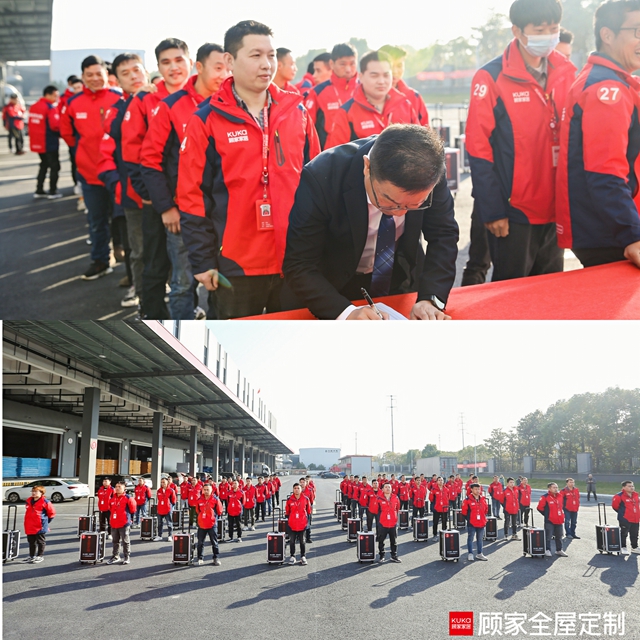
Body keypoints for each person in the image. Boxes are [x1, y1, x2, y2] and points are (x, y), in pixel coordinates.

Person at [177, 20, 320, 319]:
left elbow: (318, 184)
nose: (267, 64)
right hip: (235, 265)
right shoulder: (205, 120)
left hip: (295, 260)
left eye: (271, 55)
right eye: (255, 55)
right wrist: (202, 261)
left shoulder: (298, 113)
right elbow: (191, 196)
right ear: (229, 60)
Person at [283, 124, 459, 320]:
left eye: (413, 205)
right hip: (332, 285)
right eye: (390, 202)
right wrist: (346, 313)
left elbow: (443, 235)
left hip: (398, 278)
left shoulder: (429, 169)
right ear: (367, 167)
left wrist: (430, 299)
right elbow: (299, 263)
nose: (400, 214)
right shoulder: (323, 176)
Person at [466, 0, 576, 282]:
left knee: (550, 293)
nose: (548, 36)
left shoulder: (566, 71)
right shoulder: (491, 77)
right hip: (514, 212)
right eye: (539, 30)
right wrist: (492, 210)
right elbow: (477, 148)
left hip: (555, 207)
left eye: (554, 29)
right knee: (511, 294)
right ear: (517, 31)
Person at [141, 42, 230, 320]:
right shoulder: (170, 106)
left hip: (225, 215)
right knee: (182, 284)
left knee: (222, 282)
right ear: (200, 66)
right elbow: (149, 160)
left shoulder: (231, 102)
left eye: (227, 67)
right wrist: (166, 207)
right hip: (185, 214)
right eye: (218, 68)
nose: (223, 73)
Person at [557, 1, 640, 270]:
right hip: (611, 235)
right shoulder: (607, 88)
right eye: (637, 31)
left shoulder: (608, 80)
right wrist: (632, 236)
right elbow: (606, 171)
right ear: (607, 35)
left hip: (611, 227)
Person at [122, 38, 194, 320]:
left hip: (197, 199)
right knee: (156, 261)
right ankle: (152, 314)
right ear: (158, 67)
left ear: (190, 62)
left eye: (179, 60)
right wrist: (150, 195)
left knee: (192, 264)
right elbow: (131, 151)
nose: (174, 67)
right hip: (159, 199)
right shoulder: (146, 98)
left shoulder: (205, 94)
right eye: (166, 62)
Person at [60, 55, 123, 281]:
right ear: (83, 77)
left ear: (107, 75)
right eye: (90, 75)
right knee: (96, 222)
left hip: (118, 175)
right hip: (89, 175)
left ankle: (131, 271)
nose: (95, 78)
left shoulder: (120, 98)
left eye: (99, 74)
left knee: (123, 223)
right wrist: (82, 153)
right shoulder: (73, 103)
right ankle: (100, 261)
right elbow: (67, 133)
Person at [98, 52, 150, 309]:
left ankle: (172, 296)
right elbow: (114, 130)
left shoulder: (165, 101)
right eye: (125, 74)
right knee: (138, 251)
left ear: (146, 70)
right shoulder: (116, 109)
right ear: (117, 80)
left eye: (136, 70)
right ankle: (141, 295)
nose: (133, 76)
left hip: (169, 195)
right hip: (133, 195)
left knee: (171, 252)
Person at [325, 50, 420, 149]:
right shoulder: (346, 113)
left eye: (386, 75)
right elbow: (336, 157)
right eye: (374, 76)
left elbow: (419, 145)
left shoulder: (405, 105)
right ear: (361, 77)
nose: (381, 81)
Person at [305, 43, 359, 149]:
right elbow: (307, 131)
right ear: (332, 64)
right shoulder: (317, 92)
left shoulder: (365, 89)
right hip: (329, 155)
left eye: (352, 64)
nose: (348, 69)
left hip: (362, 154)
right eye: (343, 64)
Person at [378, 44, 429, 125]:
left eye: (399, 65)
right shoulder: (366, 97)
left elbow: (425, 132)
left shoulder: (414, 97)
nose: (395, 71)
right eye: (390, 66)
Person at [28, 86, 61, 199]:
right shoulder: (50, 108)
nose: (57, 98)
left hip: (37, 142)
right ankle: (53, 191)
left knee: (43, 165)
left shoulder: (34, 106)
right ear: (49, 95)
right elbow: (55, 125)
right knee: (54, 167)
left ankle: (39, 189)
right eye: (55, 96)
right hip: (49, 142)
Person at [23, 485, 56, 563]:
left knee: (40, 541)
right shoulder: (29, 501)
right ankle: (32, 556)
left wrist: (45, 522)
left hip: (39, 526)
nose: (33, 493)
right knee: (31, 542)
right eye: (32, 491)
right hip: (29, 525)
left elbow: (52, 513)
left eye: (36, 491)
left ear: (41, 493)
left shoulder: (45, 502)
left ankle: (40, 556)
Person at [107, 481, 137, 565]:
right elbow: (110, 509)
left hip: (124, 523)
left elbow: (133, 510)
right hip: (114, 523)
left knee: (125, 541)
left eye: (119, 486)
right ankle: (116, 556)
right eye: (116, 486)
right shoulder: (112, 498)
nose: (117, 488)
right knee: (115, 541)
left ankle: (126, 556)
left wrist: (129, 520)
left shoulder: (128, 498)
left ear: (124, 488)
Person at [537, 482, 568, 557]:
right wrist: (547, 514)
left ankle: (559, 550)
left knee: (559, 536)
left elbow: (561, 506)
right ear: (549, 489)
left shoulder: (560, 496)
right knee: (548, 536)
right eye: (554, 487)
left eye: (556, 487)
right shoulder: (545, 497)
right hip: (549, 520)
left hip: (559, 519)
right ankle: (547, 550)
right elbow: (540, 508)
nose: (556, 489)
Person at [196, 483, 223, 566]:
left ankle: (216, 558)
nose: (206, 491)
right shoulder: (199, 499)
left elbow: (219, 511)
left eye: (208, 489)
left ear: (211, 490)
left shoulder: (215, 499)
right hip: (202, 524)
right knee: (200, 542)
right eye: (205, 490)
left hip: (212, 524)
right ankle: (200, 558)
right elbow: (197, 511)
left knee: (214, 542)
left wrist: (213, 518)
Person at [285, 482, 312, 565]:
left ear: (301, 490)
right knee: (292, 541)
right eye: (295, 488)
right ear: (293, 490)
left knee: (302, 541)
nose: (296, 490)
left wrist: (307, 523)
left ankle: (303, 556)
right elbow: (287, 512)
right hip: (292, 524)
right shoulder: (290, 500)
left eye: (298, 488)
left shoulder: (305, 499)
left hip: (302, 524)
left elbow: (309, 511)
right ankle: (292, 556)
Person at [462, 483, 489, 562]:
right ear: (471, 490)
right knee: (470, 538)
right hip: (472, 523)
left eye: (478, 489)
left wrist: (482, 517)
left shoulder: (483, 499)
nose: (477, 491)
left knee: (480, 539)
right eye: (476, 489)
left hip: (481, 522)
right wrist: (469, 519)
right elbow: (464, 512)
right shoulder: (467, 500)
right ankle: (470, 553)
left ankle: (479, 553)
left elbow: (486, 510)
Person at [612, 481, 640, 554]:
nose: (632, 487)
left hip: (636, 519)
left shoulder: (636, 495)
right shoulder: (619, 496)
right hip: (625, 518)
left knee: (635, 534)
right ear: (624, 487)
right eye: (629, 486)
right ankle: (623, 547)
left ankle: (634, 547)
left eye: (632, 486)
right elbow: (615, 506)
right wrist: (623, 513)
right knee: (624, 534)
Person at [376, 481, 401, 562]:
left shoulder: (395, 498)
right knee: (381, 540)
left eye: (389, 487)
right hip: (383, 523)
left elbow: (397, 508)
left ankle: (394, 556)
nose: (388, 488)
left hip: (393, 523)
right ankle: (382, 556)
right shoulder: (379, 498)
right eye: (386, 487)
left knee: (393, 541)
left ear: (391, 489)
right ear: (382, 489)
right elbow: (377, 510)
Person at [154, 476, 176, 541]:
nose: (162, 483)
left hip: (168, 509)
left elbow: (173, 501)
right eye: (161, 482)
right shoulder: (159, 490)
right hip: (160, 509)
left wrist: (170, 506)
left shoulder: (171, 490)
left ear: (167, 482)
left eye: (164, 482)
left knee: (169, 523)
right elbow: (159, 499)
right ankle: (159, 535)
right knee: (160, 523)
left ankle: (170, 535)